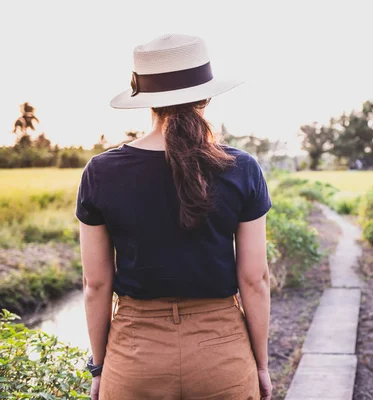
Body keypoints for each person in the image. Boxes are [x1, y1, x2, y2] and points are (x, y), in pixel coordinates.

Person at [76, 34, 272, 400]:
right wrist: (259, 365)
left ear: (145, 100)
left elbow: (96, 285)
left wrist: (101, 368)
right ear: (206, 96)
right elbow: (255, 279)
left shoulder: (100, 172)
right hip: (221, 353)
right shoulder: (241, 167)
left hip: (135, 355)